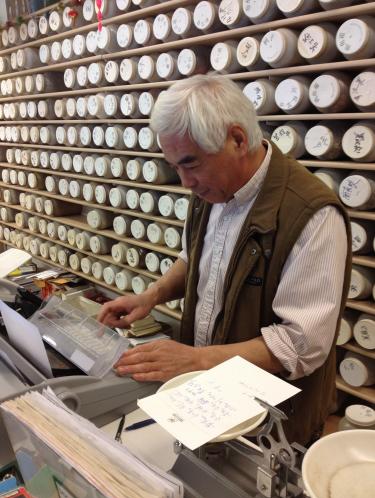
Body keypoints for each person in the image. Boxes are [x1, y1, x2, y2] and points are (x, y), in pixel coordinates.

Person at [98, 74, 351, 445]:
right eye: (176, 166)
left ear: (237, 139)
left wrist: (196, 360)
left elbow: (301, 343)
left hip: (271, 418)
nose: (185, 182)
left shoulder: (311, 214)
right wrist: (150, 295)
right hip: (208, 393)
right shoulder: (214, 189)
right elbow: (196, 258)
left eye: (190, 164)